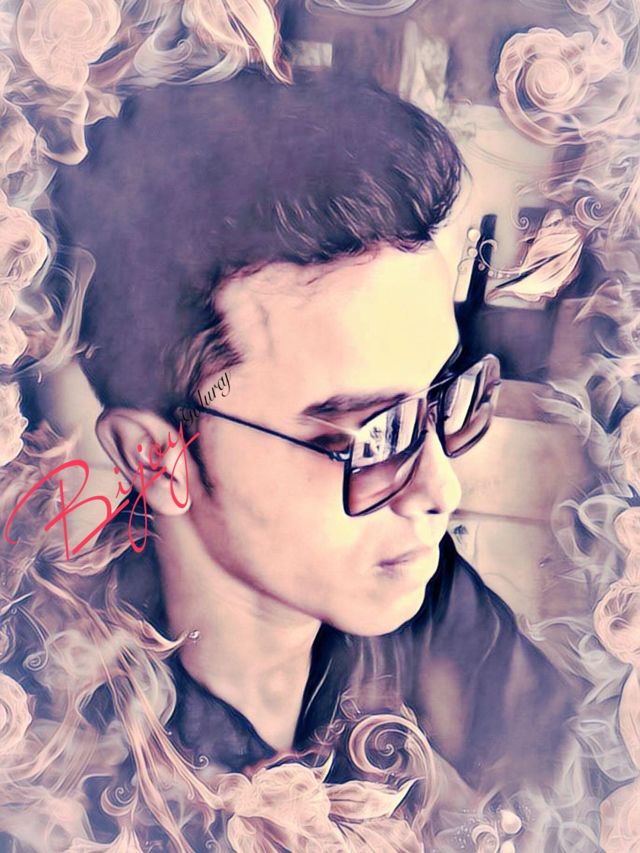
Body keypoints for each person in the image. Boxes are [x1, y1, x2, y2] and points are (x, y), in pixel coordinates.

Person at [1, 69, 573, 850]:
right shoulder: (60, 755)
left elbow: (576, 782)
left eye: (442, 400)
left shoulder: (426, 597)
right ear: (160, 460)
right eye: (374, 435)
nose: (440, 488)